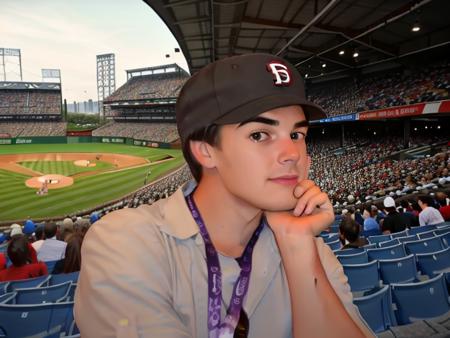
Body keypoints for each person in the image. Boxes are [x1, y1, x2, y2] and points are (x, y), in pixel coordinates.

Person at [75, 53, 373, 337]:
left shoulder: (314, 250)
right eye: (259, 135)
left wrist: (296, 246)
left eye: (297, 135)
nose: (291, 154)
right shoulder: (125, 241)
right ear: (205, 150)